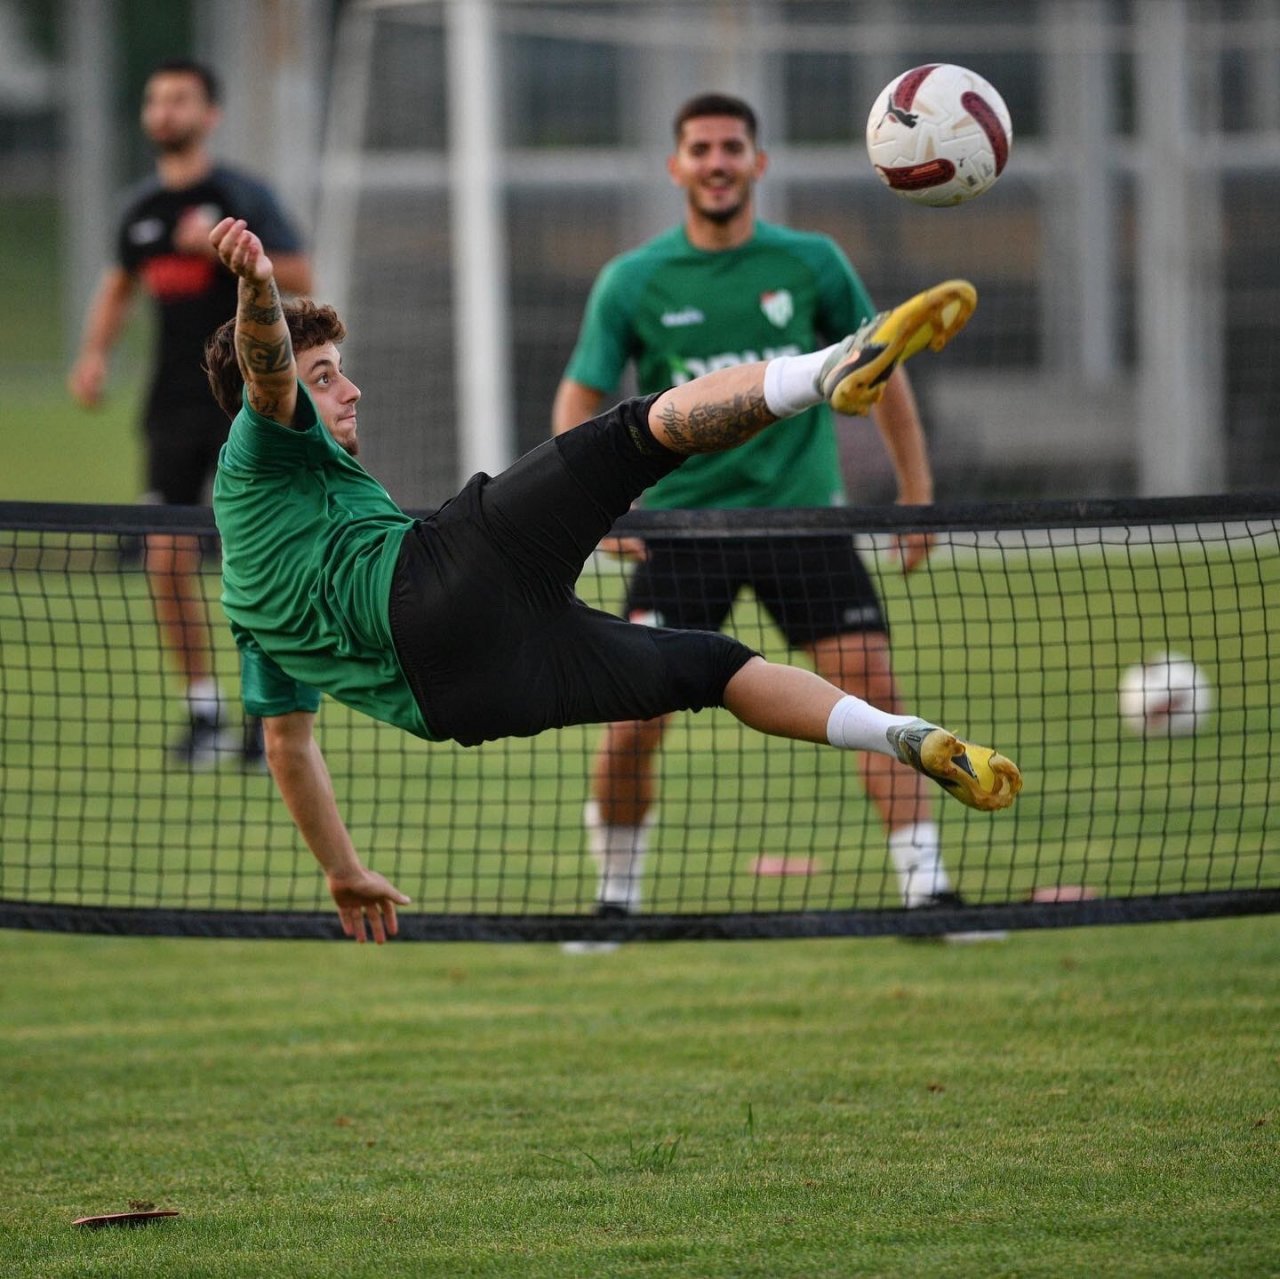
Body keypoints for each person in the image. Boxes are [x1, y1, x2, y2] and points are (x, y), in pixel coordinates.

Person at [204, 214, 1020, 945]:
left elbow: (287, 745)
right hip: (432, 582)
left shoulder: (248, 598)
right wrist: (257, 285)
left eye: (339, 369)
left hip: (470, 701)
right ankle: (827, 370)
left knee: (712, 668)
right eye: (324, 376)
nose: (348, 388)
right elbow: (269, 373)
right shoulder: (260, 445)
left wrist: (343, 870)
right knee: (637, 430)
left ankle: (899, 732)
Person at [552, 92, 976, 941]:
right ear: (677, 166)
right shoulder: (633, 279)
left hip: (804, 524)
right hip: (682, 531)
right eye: (701, 148)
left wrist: (916, 493)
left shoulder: (813, 262)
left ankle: (928, 893)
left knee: (875, 694)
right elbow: (578, 399)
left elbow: (883, 365)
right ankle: (614, 903)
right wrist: (596, 508)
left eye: (731, 147)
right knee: (632, 721)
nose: (717, 162)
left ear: (758, 162)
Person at [67, 58, 313, 769]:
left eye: (180, 99)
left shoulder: (241, 197)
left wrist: (222, 248)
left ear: (210, 115)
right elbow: (119, 286)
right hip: (172, 407)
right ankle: (203, 711)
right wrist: (94, 355)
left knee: (258, 557)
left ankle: (267, 714)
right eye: (155, 99)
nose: (164, 111)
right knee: (165, 557)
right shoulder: (141, 209)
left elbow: (301, 275)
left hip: (246, 402)